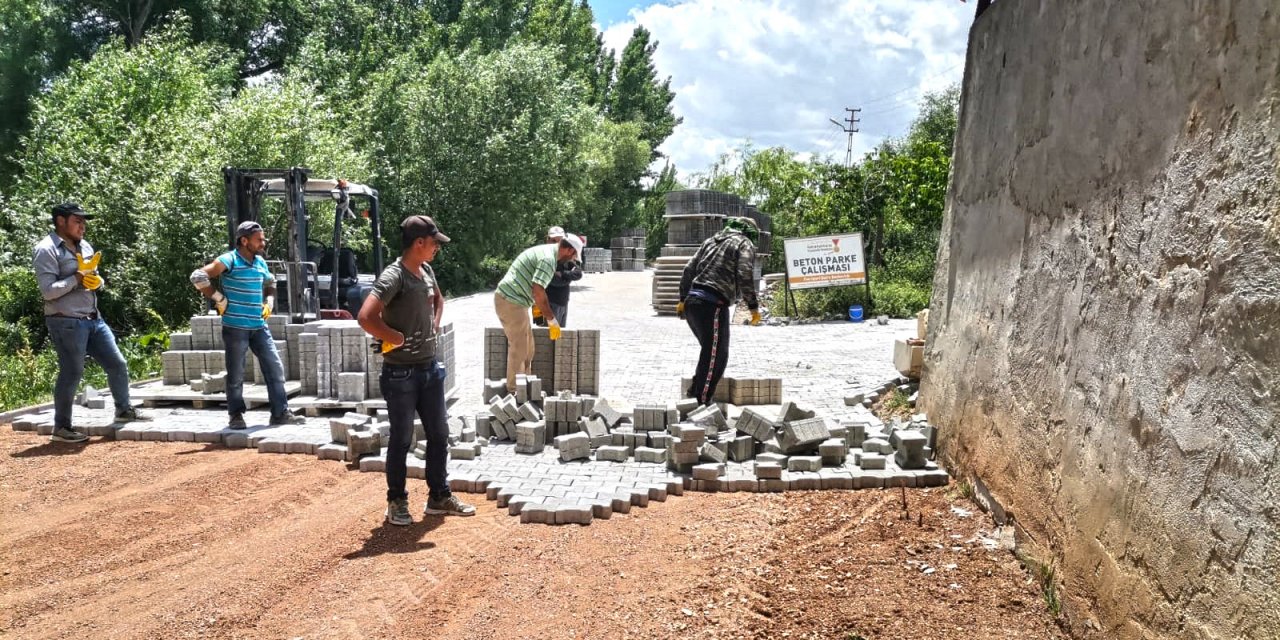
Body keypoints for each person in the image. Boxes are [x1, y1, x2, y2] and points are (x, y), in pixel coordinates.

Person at [358, 215, 475, 524]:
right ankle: (396, 500)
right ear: (419, 243)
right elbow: (366, 316)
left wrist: (433, 323)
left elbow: (438, 299)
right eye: (434, 242)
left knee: (439, 434)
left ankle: (438, 496)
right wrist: (393, 337)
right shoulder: (394, 275)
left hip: (429, 369)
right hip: (400, 375)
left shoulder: (426, 270)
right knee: (401, 438)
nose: (437, 247)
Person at [34, 202, 147, 442]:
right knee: (71, 373)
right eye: (77, 221)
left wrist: (98, 282)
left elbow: (92, 276)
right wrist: (77, 278)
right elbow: (47, 292)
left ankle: (124, 410)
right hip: (66, 322)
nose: (83, 226)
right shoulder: (46, 250)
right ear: (61, 221)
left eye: (83, 221)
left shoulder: (84, 245)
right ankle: (62, 428)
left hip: (93, 319)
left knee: (117, 363)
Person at [189, 221, 304, 429]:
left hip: (259, 326)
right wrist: (218, 298)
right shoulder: (229, 260)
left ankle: (280, 413)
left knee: (275, 367)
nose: (263, 242)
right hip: (235, 327)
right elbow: (198, 276)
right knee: (236, 373)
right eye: (259, 239)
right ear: (244, 241)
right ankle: (236, 416)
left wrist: (268, 302)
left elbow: (270, 282)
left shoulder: (260, 262)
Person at [677, 217, 762, 405]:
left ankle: (695, 392)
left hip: (693, 303)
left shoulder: (711, 241)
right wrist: (753, 307)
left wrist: (683, 300)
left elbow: (688, 269)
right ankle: (702, 402)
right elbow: (744, 273)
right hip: (712, 304)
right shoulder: (744, 243)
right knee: (717, 356)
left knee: (711, 352)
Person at [493, 233, 583, 393]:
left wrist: (538, 312)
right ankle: (514, 392)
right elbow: (538, 292)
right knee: (519, 347)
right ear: (569, 250)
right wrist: (551, 320)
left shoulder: (548, 253)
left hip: (517, 302)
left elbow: (535, 289)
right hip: (510, 300)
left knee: (529, 349)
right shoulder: (548, 260)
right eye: (573, 256)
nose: (572, 261)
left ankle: (526, 387)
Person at [533, 226, 583, 327]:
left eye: (560, 240)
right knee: (544, 335)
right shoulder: (543, 257)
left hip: (562, 303)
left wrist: (563, 274)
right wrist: (567, 279)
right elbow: (554, 281)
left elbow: (578, 273)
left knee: (559, 338)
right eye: (553, 240)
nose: (556, 243)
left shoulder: (565, 258)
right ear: (547, 240)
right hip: (545, 305)